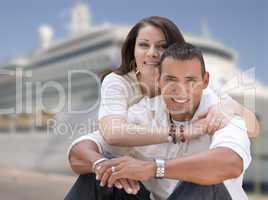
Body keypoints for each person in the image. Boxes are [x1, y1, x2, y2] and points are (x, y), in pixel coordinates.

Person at [64, 16, 259, 199]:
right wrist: (104, 166)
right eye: (171, 79)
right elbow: (86, 147)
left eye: (190, 80)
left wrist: (152, 168)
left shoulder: (217, 109)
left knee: (203, 180)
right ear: (160, 79)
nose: (181, 89)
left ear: (204, 80)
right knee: (97, 179)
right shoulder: (138, 105)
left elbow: (231, 163)